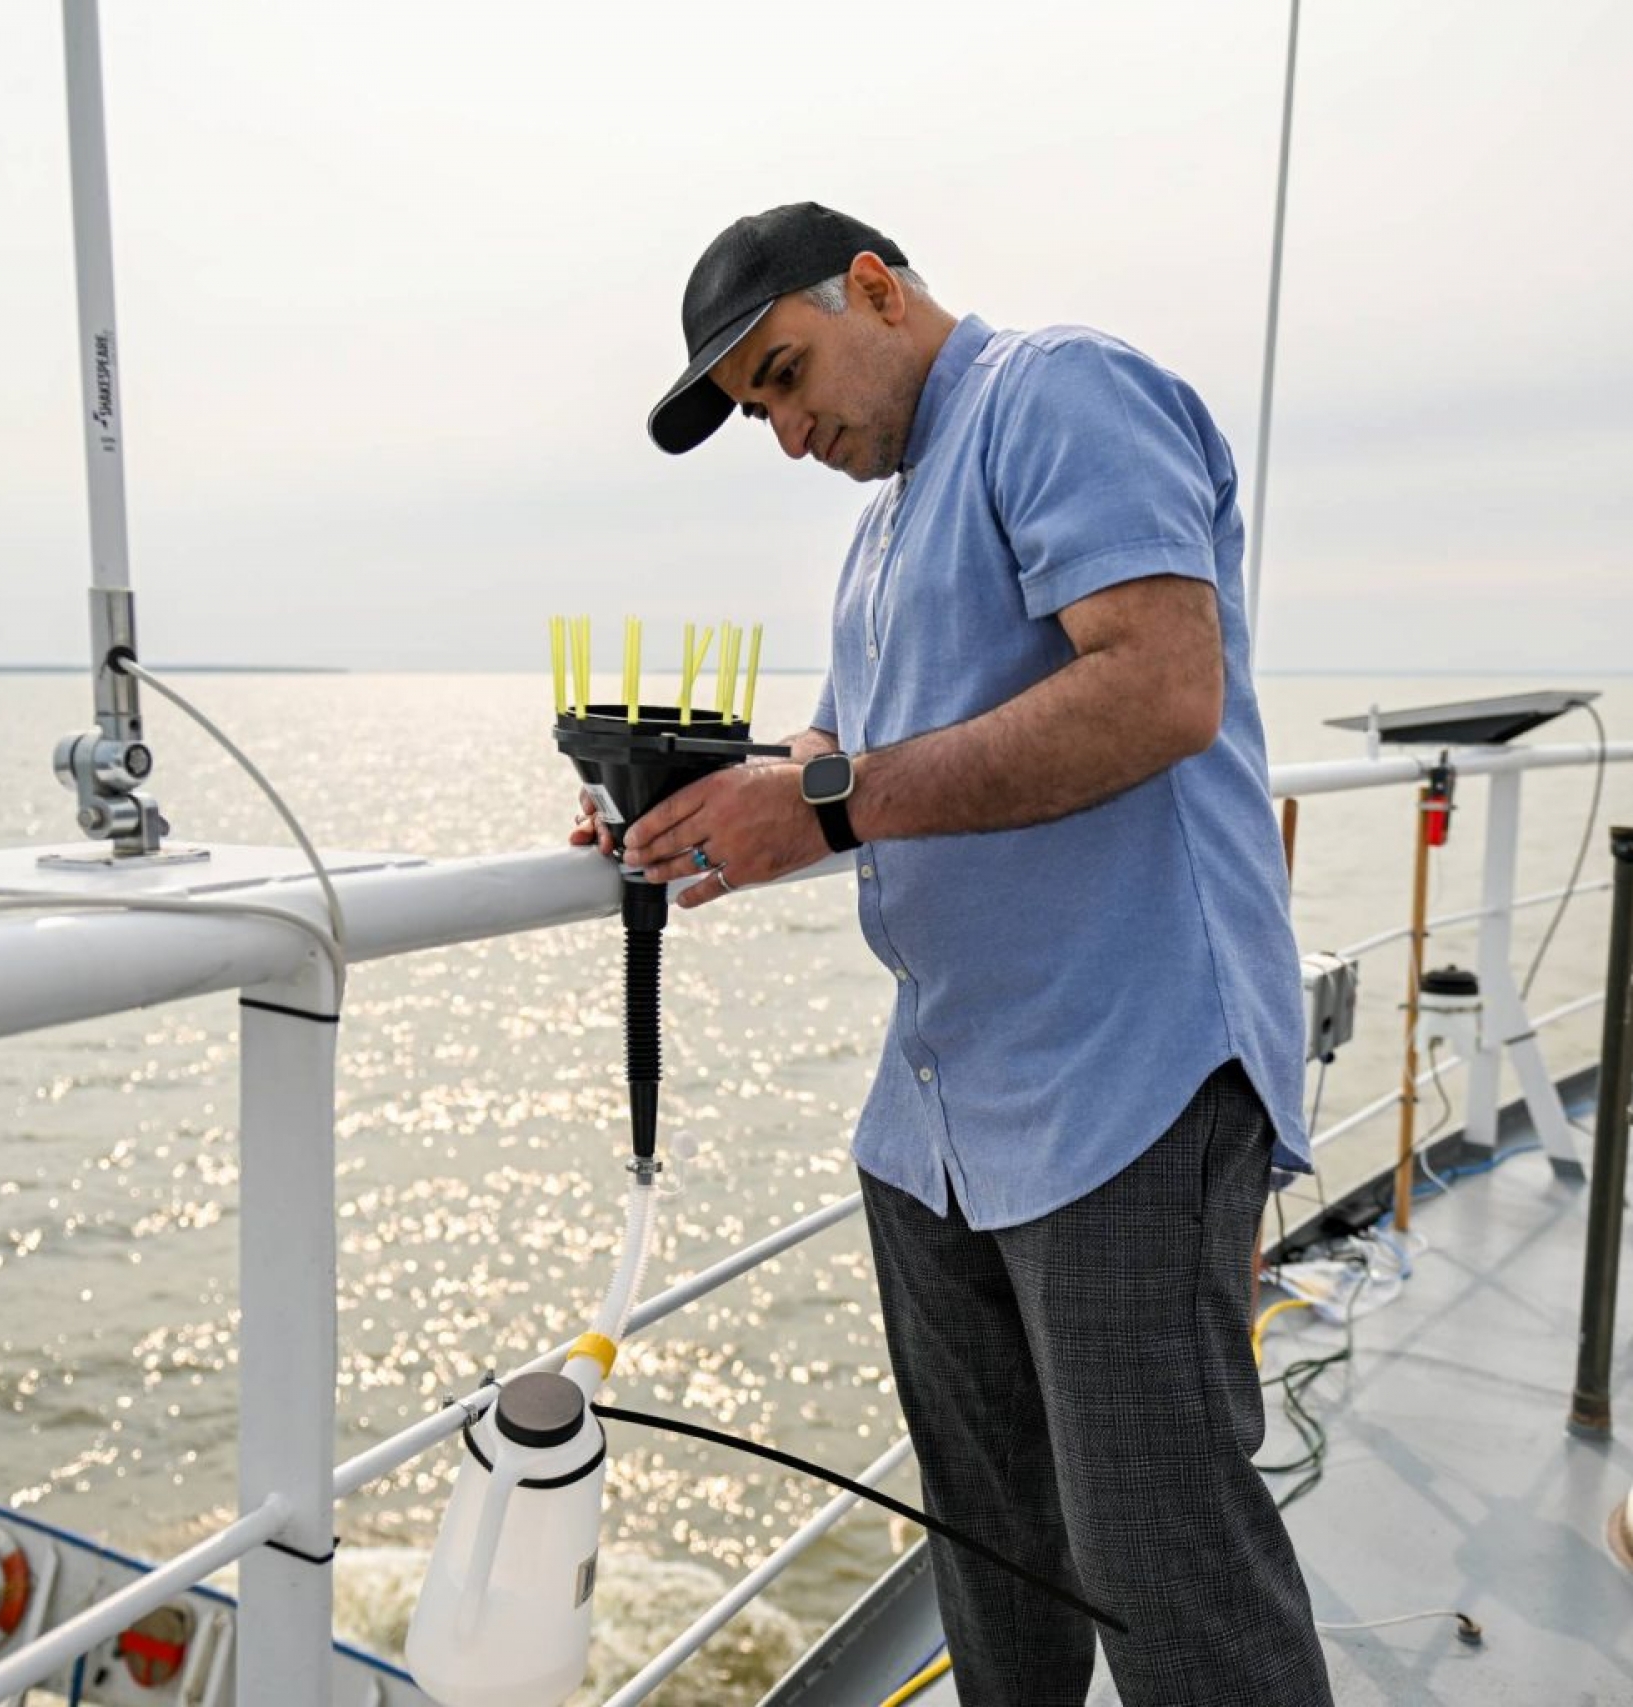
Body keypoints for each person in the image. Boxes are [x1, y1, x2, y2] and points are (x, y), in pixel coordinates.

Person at [577, 202, 1333, 1706]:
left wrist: (827, 804)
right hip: (941, 1118)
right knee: (990, 1562)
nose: (788, 434)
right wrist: (688, 793)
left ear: (875, 289)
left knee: (1168, 1570)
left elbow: (1164, 689)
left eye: (787, 376)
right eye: (757, 413)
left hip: (1130, 1080)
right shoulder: (879, 534)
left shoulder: (1058, 390)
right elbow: (846, 750)